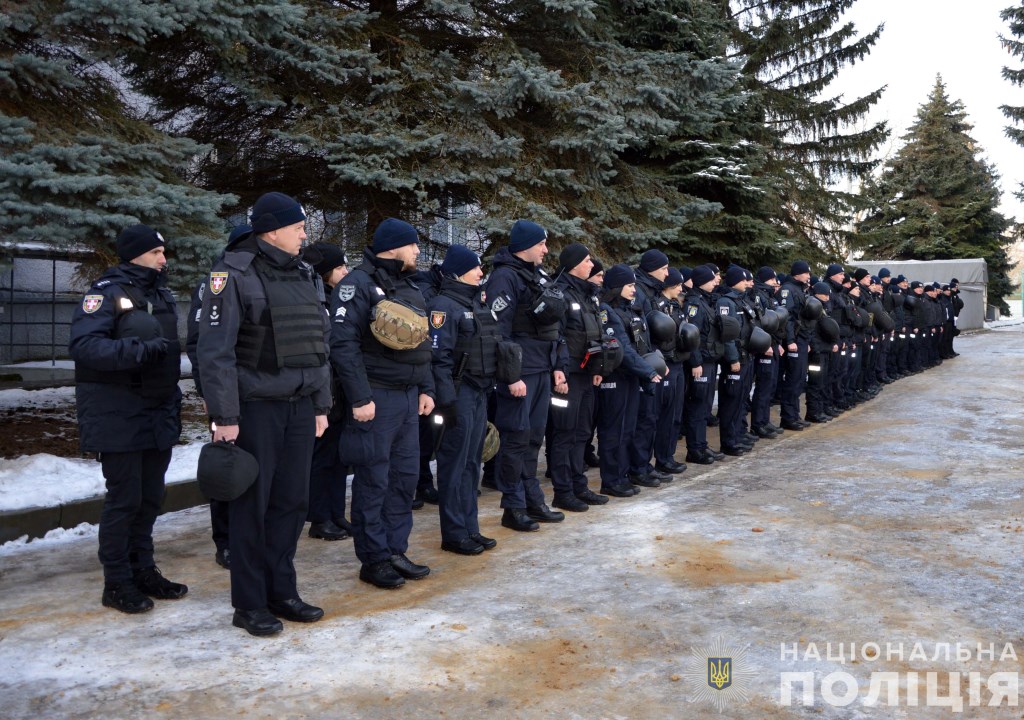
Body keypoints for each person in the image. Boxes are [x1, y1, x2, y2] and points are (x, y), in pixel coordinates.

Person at [197, 192, 331, 636]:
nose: (304, 234)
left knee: (292, 504)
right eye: (298, 227)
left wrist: (321, 404)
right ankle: (250, 604)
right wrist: (225, 416)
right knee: (251, 509)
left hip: (298, 408)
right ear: (272, 230)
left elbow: (319, 345)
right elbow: (216, 353)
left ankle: (282, 592)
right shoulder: (232, 273)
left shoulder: (305, 274)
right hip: (254, 411)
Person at [70, 223, 188, 614]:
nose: (163, 258)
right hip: (116, 412)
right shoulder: (104, 293)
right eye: (156, 252)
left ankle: (144, 569)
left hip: (156, 410)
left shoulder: (160, 293)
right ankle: (117, 582)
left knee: (151, 498)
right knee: (125, 499)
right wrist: (138, 350)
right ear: (136, 254)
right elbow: (85, 347)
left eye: (163, 252)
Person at [330, 217, 435, 588]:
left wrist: (427, 388)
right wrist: (360, 397)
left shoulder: (408, 285)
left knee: (404, 479)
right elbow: (342, 346)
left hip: (408, 399)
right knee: (373, 479)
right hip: (375, 399)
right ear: (393, 247)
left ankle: (394, 550)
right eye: (413, 245)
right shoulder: (355, 285)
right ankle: (373, 559)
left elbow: (421, 343)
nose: (418, 251)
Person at [486, 220, 565, 532]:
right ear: (525, 246)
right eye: (541, 244)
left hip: (541, 368)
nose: (546, 250)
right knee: (516, 438)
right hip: (520, 374)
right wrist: (511, 376)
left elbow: (551, 327)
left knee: (533, 438)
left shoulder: (535, 275)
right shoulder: (504, 277)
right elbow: (498, 332)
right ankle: (513, 505)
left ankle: (532, 499)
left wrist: (556, 365)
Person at [185, 223, 253, 570]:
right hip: (226, 394)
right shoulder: (217, 281)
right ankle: (224, 540)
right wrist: (209, 394)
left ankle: (248, 536)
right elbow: (201, 345)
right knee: (226, 465)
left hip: (257, 392)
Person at [428, 245, 500, 555]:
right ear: (459, 272)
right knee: (454, 466)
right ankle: (454, 533)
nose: (481, 272)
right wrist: (447, 402)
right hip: (459, 395)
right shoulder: (444, 306)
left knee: (473, 464)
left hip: (479, 391)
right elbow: (439, 358)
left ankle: (470, 528)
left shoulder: (471, 302)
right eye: (475, 268)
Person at [549, 243, 608, 511]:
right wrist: (558, 371)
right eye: (586, 260)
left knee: (582, 432)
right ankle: (563, 491)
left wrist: (597, 369)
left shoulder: (588, 294)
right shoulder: (560, 292)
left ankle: (579, 485)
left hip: (586, 374)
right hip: (567, 376)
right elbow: (555, 336)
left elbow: (595, 334)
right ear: (573, 265)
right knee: (565, 433)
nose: (591, 264)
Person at [596, 264, 662, 496]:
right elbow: (622, 348)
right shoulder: (607, 311)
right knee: (614, 430)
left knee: (628, 429)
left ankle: (623, 475)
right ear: (616, 286)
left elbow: (642, 342)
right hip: (616, 377)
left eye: (635, 284)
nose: (634, 290)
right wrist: (648, 371)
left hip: (632, 377)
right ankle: (611, 479)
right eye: (630, 285)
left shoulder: (631, 309)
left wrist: (651, 364)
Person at [302, 242, 352, 542]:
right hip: (323, 390)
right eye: (339, 267)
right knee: (321, 457)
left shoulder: (336, 299)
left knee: (337, 456)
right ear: (324, 273)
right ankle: (319, 517)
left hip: (339, 389)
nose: (345, 271)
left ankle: (335, 513)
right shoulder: (316, 300)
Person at [681, 265, 724, 464]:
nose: (716, 281)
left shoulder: (706, 301)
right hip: (701, 362)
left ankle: (701, 445)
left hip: (709, 359)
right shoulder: (695, 304)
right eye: (711, 279)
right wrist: (696, 361)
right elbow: (692, 337)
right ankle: (695, 449)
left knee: (705, 407)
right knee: (697, 406)